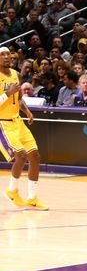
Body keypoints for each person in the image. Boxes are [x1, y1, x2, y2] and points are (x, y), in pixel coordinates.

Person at [1, 47, 46, 210]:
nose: (7, 57)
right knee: (20, 155)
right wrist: (6, 94)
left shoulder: (15, 74)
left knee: (35, 156)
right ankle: (12, 190)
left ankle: (32, 198)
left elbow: (18, 98)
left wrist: (27, 111)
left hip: (18, 121)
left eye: (8, 54)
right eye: (2, 55)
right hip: (3, 123)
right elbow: (9, 96)